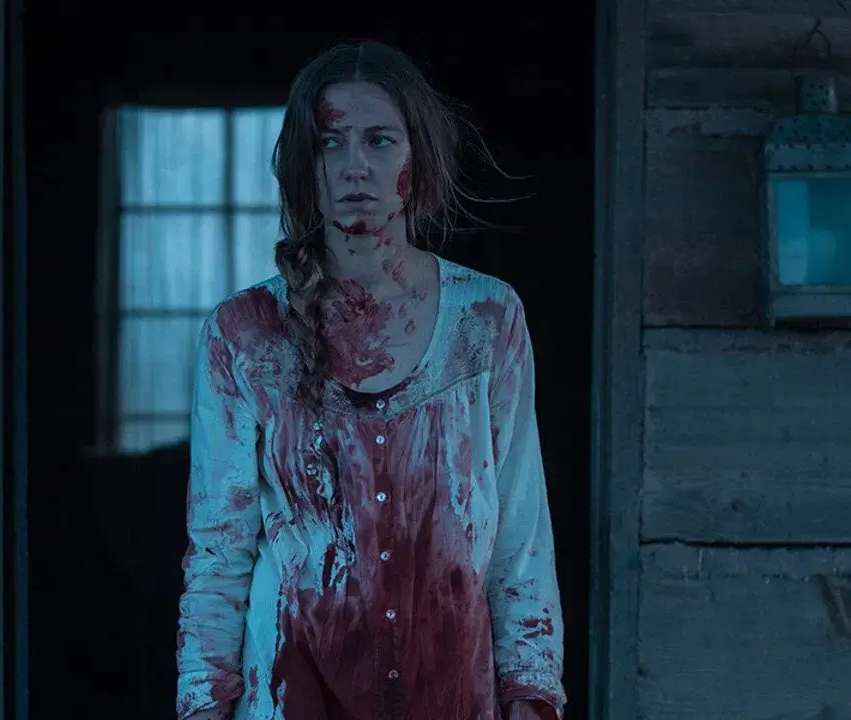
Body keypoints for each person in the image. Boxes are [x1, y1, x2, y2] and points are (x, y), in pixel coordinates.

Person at [176, 39, 564, 720]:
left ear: (419, 155)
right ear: (305, 164)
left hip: (451, 696)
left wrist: (530, 693)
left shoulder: (485, 319)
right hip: (288, 697)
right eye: (331, 143)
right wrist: (204, 701)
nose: (355, 165)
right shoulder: (245, 334)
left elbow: (519, 537)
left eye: (380, 140)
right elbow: (219, 550)